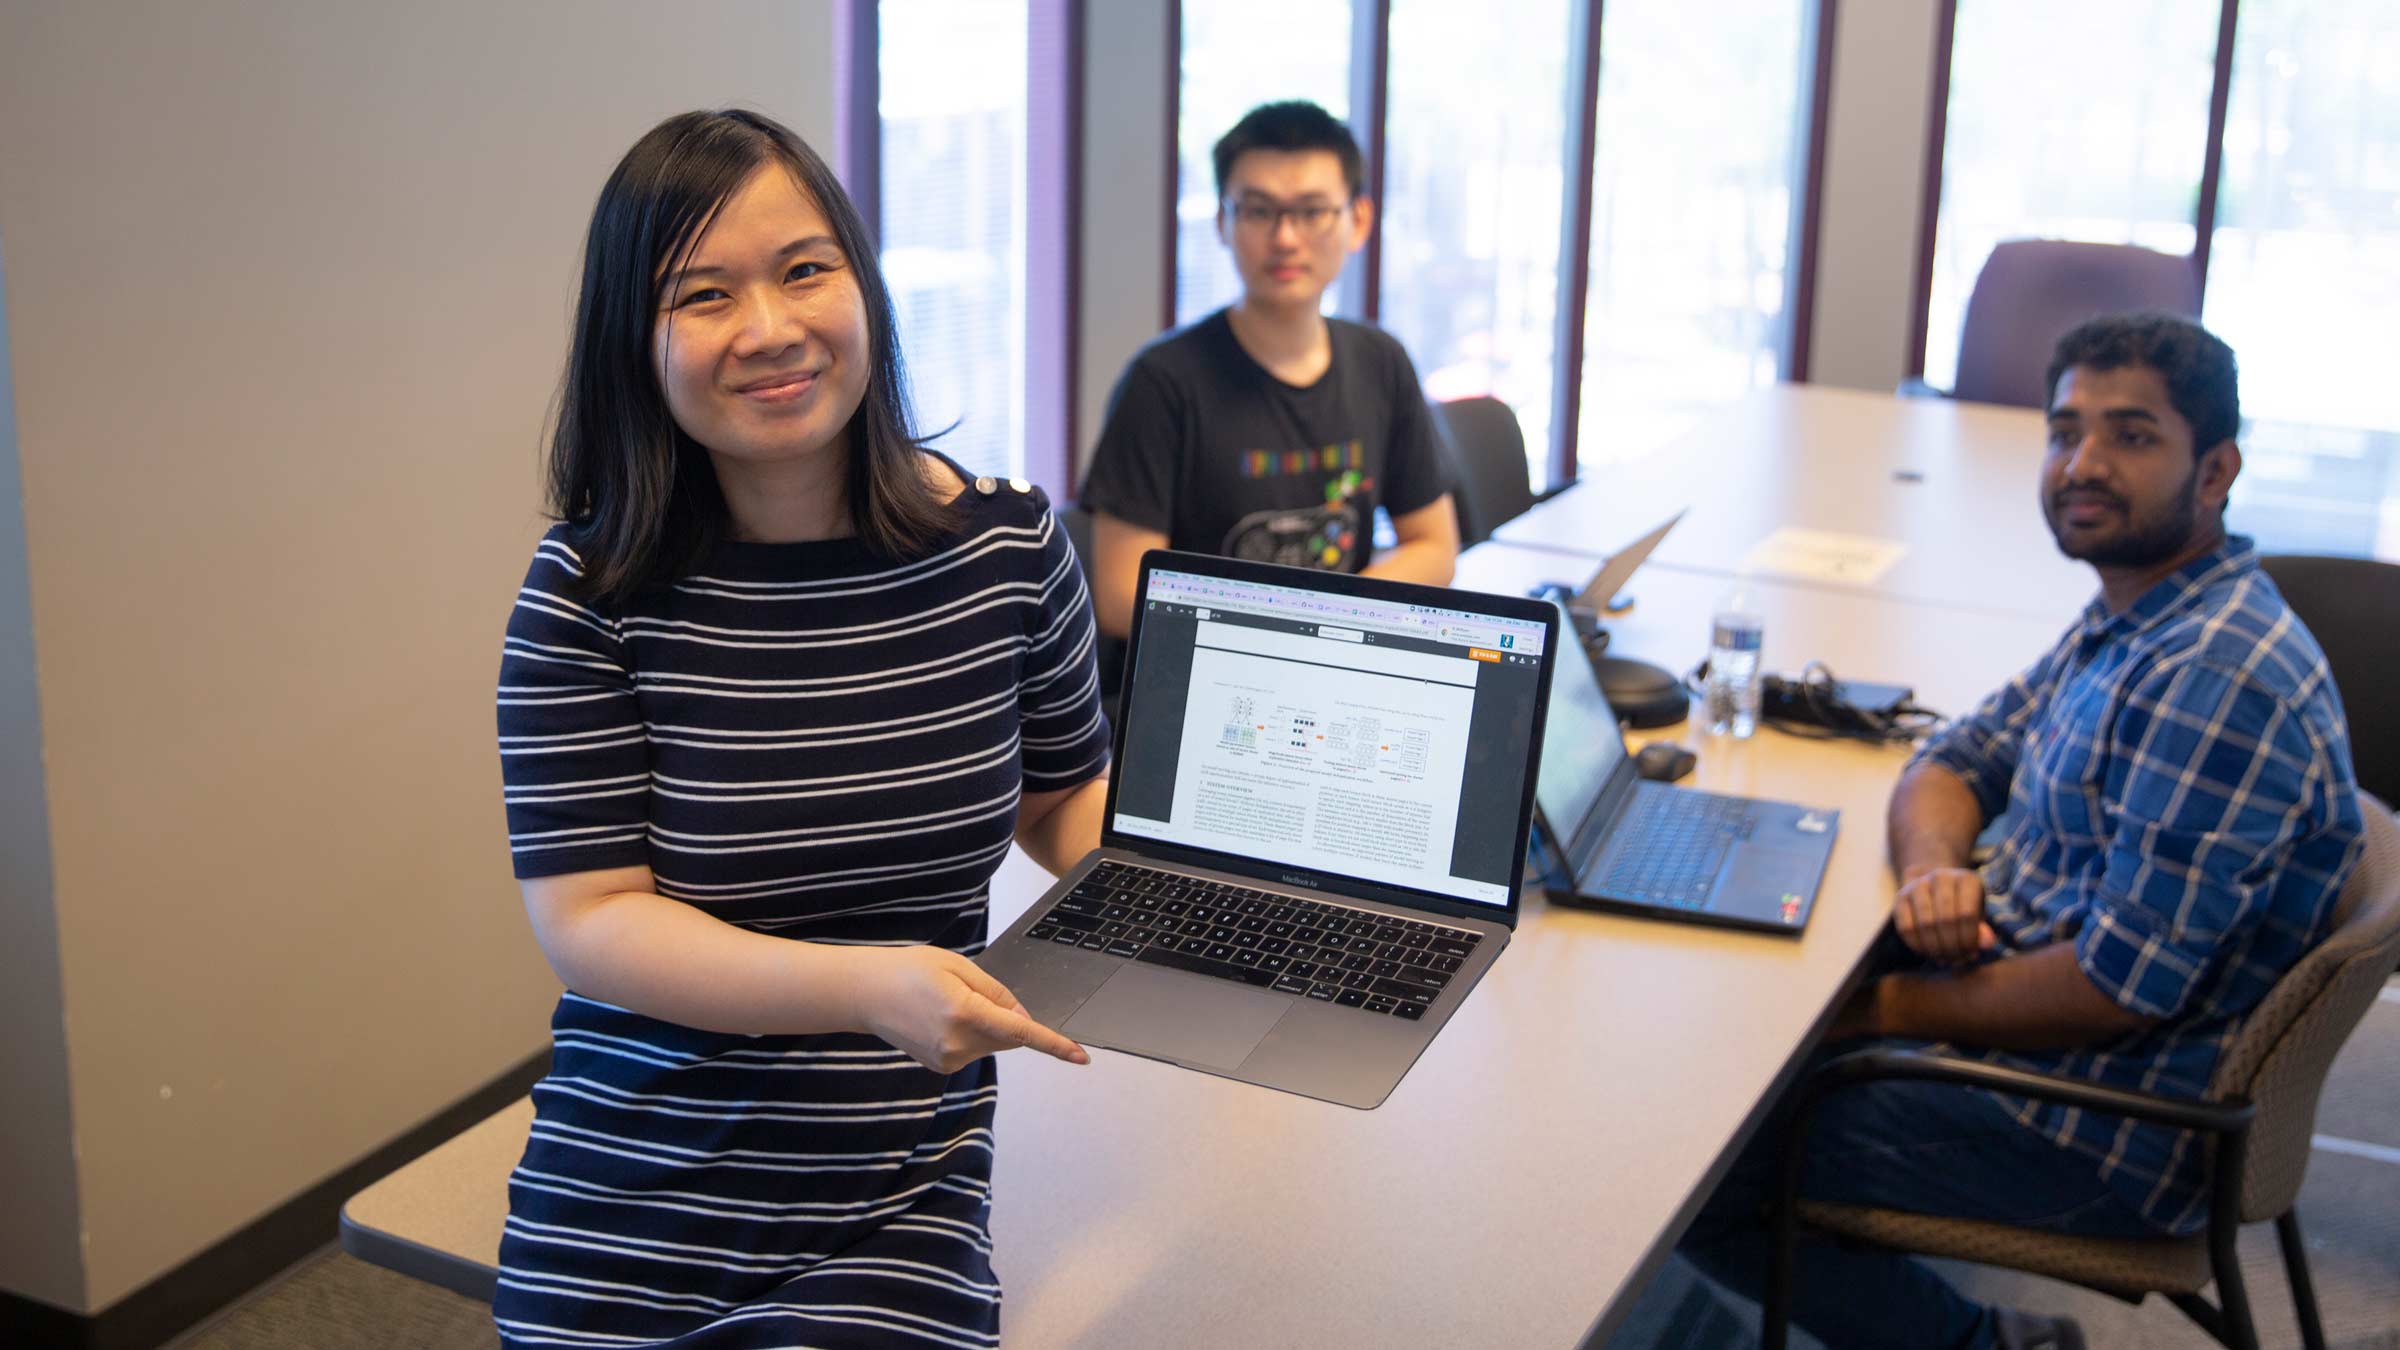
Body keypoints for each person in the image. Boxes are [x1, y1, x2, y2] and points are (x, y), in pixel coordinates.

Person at [492, 109, 1112, 1348]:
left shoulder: (1004, 548)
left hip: (895, 1179)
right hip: (638, 1179)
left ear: (864, 289)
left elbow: (1058, 800)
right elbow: (591, 922)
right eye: (702, 293)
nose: (769, 330)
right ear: (636, 338)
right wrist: (863, 986)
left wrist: (1221, 912)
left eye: (804, 270)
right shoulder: (588, 592)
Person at [1675, 313, 2364, 1350]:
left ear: (2215, 469)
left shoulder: (2215, 674)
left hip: (2099, 1126)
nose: (2082, 464)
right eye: (2065, 431)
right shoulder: (2144, 610)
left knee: (1699, 1157)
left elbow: (2114, 988)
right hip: (2030, 1016)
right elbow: (1955, 757)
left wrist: (1879, 1009)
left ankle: (1984, 1347)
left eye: (2131, 436)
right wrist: (1933, 875)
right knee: (1732, 998)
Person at [1079, 99, 1459, 644]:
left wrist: (1334, 623)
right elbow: (1119, 596)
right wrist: (1297, 635)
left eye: (1311, 211)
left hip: (1341, 662)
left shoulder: (1381, 363)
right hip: (1206, 674)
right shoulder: (1162, 383)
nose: (1285, 237)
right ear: (1222, 223)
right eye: (1258, 210)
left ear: (1358, 221)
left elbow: (1434, 547)